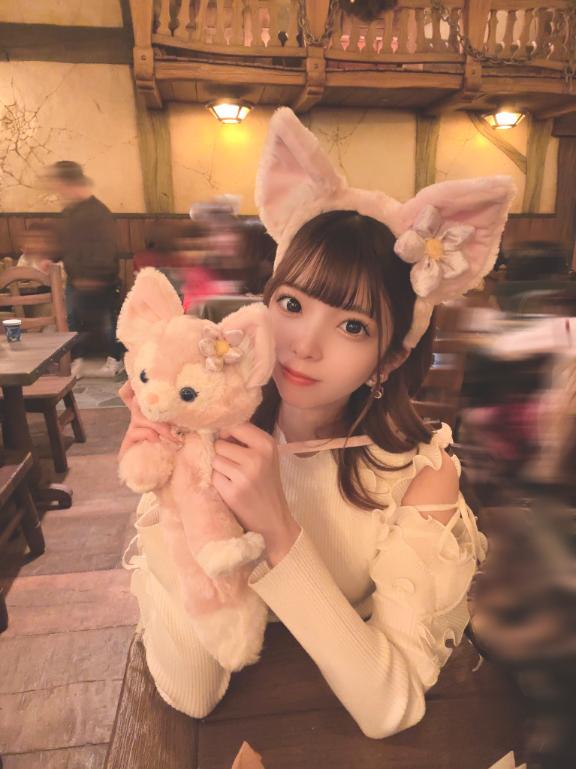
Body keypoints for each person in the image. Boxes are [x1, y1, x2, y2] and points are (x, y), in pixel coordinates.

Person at [119, 108, 516, 738]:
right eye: (291, 304)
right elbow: (191, 690)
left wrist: (278, 528)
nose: (303, 345)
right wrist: (172, 489)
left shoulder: (421, 475)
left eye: (352, 325)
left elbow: (391, 707)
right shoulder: (209, 433)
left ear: (390, 357)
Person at [44, 160, 123, 378]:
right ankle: (78, 360)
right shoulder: (70, 212)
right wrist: (51, 258)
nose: (58, 190)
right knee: (73, 320)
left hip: (100, 279)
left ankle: (114, 360)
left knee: (108, 322)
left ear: (70, 182)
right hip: (76, 279)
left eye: (59, 184)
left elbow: (107, 248)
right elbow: (66, 243)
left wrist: (95, 276)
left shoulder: (98, 213)